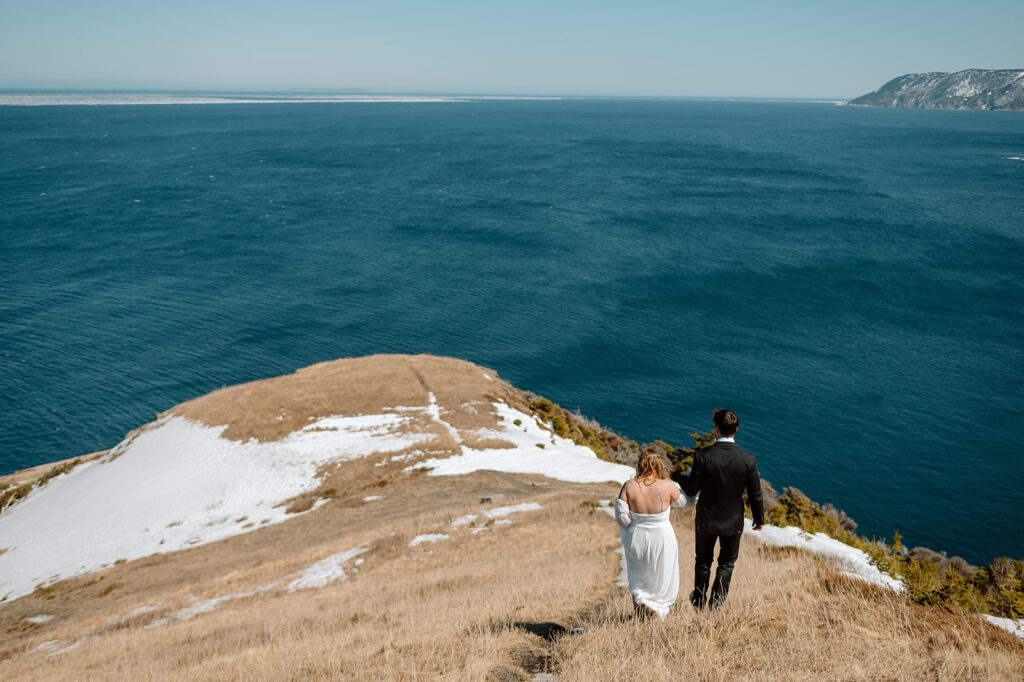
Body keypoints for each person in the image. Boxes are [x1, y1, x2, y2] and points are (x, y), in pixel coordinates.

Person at [678, 408, 764, 610]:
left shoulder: (703, 455)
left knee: (703, 562)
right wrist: (759, 519)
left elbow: (691, 488)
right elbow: (755, 493)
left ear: (716, 429)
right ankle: (715, 606)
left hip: (706, 519)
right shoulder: (748, 459)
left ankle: (698, 601)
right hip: (733, 521)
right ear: (737, 429)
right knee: (726, 564)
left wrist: (679, 476)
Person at [615, 448, 695, 619]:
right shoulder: (667, 485)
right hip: (663, 537)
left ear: (640, 464)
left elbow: (621, 515)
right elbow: (686, 503)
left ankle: (639, 616)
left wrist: (632, 528)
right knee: (662, 574)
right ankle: (659, 612)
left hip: (638, 536)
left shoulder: (629, 486)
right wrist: (689, 480)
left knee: (638, 576)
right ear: (659, 464)